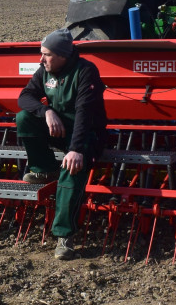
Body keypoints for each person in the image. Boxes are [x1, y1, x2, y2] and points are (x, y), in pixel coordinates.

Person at [16, 29, 107, 261]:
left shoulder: (86, 71)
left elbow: (84, 114)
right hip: (62, 130)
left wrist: (76, 150)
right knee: (24, 118)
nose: (41, 59)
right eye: (41, 53)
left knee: (71, 171)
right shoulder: (45, 71)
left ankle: (64, 237)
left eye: (46, 54)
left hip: (86, 136)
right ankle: (45, 168)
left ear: (63, 55)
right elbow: (25, 97)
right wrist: (46, 111)